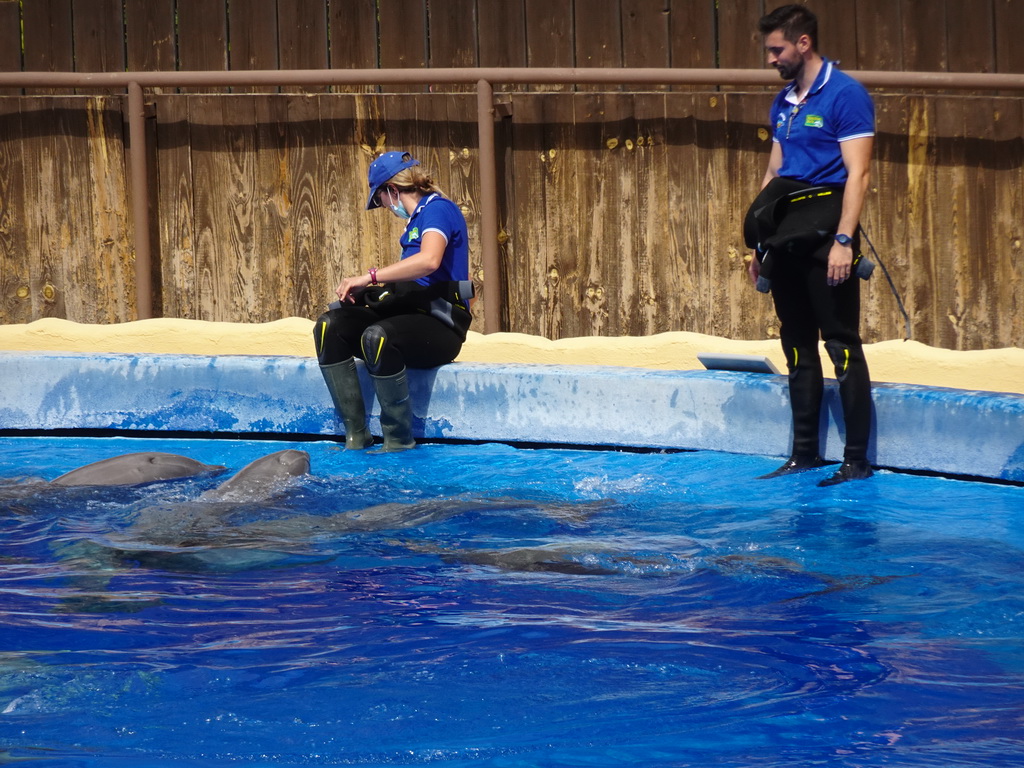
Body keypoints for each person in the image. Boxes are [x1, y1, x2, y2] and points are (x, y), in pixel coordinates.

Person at [746, 5, 875, 486]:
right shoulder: (784, 102)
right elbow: (773, 175)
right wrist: (759, 247)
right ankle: (803, 454)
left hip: (828, 237)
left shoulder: (845, 96)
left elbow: (858, 174)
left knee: (840, 344)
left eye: (776, 49)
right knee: (796, 343)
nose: (770, 59)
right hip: (786, 237)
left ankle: (856, 461)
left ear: (803, 44)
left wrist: (844, 240)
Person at [313, 151, 473, 452]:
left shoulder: (438, 210)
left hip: (441, 324)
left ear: (392, 191)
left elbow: (429, 261)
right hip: (408, 316)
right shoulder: (413, 222)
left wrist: (369, 277)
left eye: (381, 199)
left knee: (378, 337)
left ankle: (398, 442)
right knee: (329, 326)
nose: (385, 207)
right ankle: (356, 437)